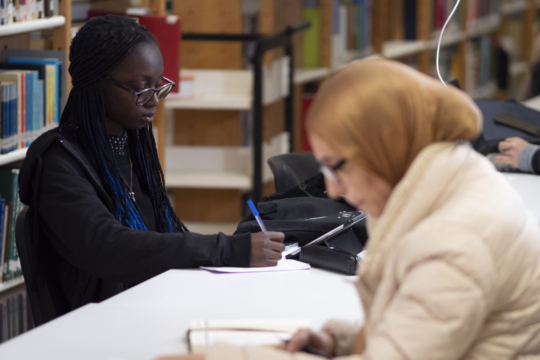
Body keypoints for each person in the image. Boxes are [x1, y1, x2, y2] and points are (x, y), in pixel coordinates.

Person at [164, 59, 540, 360]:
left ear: (384, 150)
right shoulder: (450, 186)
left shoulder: (455, 238)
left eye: (337, 166)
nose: (331, 188)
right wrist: (340, 343)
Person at [18, 15, 285, 323]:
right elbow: (108, 246)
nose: (154, 100)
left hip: (148, 304)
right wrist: (227, 249)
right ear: (96, 84)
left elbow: (160, 236)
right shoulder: (57, 163)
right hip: (98, 326)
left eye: (158, 86)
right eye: (139, 88)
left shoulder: (134, 147)